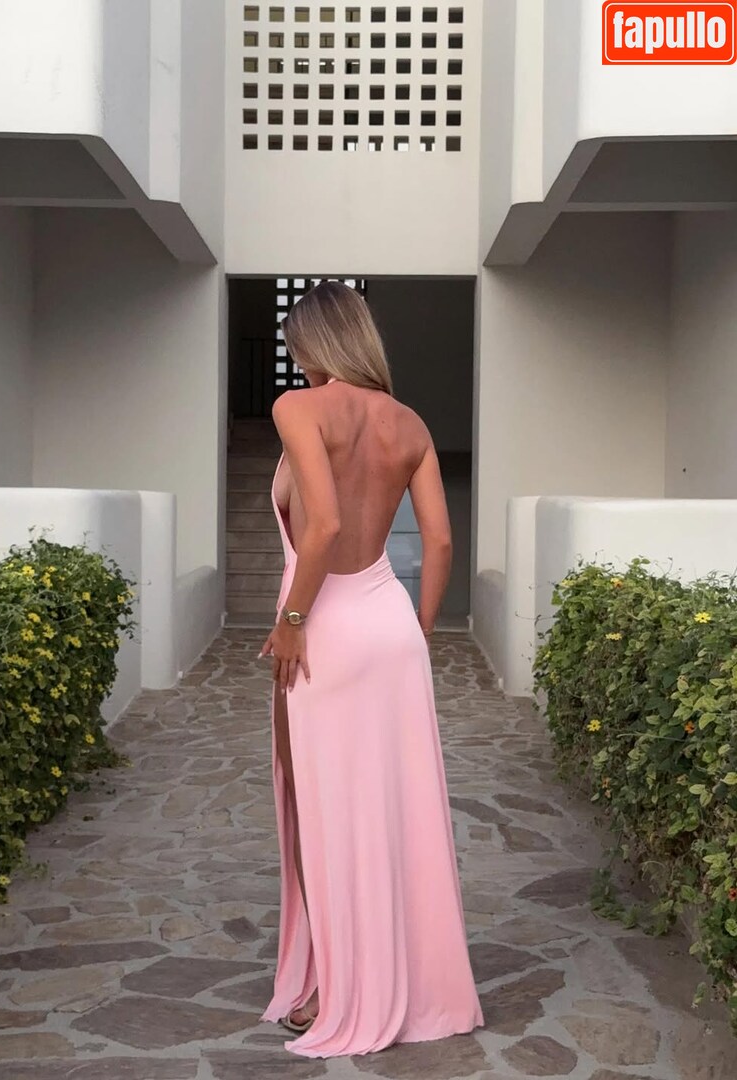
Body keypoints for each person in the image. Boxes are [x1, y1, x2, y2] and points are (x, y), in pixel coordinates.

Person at [258, 281, 483, 1058]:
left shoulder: (298, 409)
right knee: (395, 809)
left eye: (295, 344)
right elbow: (440, 543)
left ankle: (336, 989)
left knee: (318, 809)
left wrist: (291, 623)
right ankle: (408, 980)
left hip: (325, 628)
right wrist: (415, 634)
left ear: (312, 343)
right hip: (389, 625)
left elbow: (320, 525)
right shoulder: (408, 422)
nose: (293, 357)